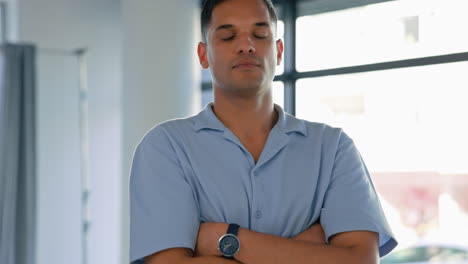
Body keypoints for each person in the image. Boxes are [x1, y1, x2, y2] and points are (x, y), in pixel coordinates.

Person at [129, 0, 397, 263]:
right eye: (227, 37)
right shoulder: (166, 147)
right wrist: (307, 248)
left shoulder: (334, 148)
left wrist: (226, 238)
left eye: (260, 35)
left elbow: (359, 260)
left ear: (279, 51)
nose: (246, 46)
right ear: (203, 55)